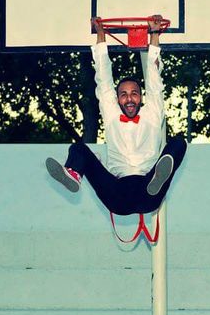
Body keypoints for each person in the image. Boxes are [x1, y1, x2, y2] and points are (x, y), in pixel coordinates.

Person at [45, 15, 187, 216]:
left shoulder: (152, 114)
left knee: (179, 143)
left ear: (141, 97)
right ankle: (73, 174)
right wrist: (101, 34)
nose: (129, 99)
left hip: (148, 190)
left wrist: (154, 34)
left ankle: (159, 176)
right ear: (118, 99)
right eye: (124, 95)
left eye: (134, 93)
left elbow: (154, 80)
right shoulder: (112, 116)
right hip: (117, 194)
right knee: (77, 148)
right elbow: (103, 80)